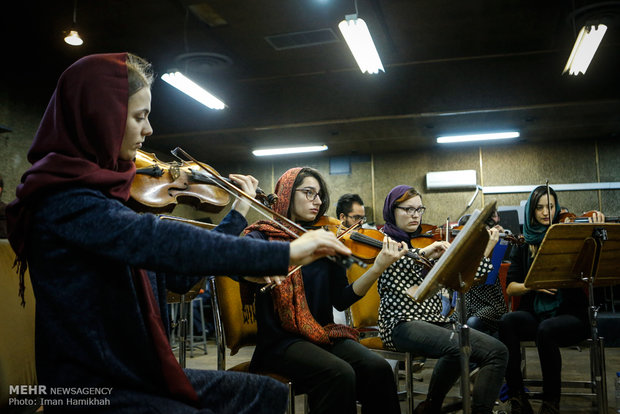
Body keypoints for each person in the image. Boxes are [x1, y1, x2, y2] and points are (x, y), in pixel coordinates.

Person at [5, 53, 351, 414]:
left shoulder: (106, 198)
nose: (149, 129)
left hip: (133, 373)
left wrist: (237, 224)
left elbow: (180, 274)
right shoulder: (65, 202)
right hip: (88, 388)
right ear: (100, 119)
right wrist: (284, 252)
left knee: (267, 394)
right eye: (140, 116)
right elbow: (159, 241)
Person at [242, 167, 405, 414]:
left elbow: (341, 300)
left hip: (320, 333)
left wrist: (377, 268)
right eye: (309, 193)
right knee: (338, 373)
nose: (317, 201)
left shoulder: (324, 239)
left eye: (319, 195)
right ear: (286, 193)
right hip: (280, 343)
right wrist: (262, 262)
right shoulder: (262, 235)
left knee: (378, 368)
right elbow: (237, 261)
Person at [377, 185, 508, 414]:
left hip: (434, 321)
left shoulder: (420, 245)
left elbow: (466, 279)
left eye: (419, 209)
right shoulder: (383, 242)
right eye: (408, 209)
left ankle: (431, 406)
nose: (415, 215)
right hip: (400, 324)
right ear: (392, 210)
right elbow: (400, 259)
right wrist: (428, 251)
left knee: (497, 350)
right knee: (461, 347)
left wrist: (485, 248)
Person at [498, 186, 604, 414]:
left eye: (551, 206)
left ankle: (550, 403)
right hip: (536, 314)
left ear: (557, 208)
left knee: (546, 330)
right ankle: (517, 398)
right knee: (507, 321)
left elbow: (595, 256)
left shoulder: (568, 234)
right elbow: (511, 287)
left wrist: (597, 225)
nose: (546, 212)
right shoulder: (524, 244)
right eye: (540, 207)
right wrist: (532, 284)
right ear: (531, 211)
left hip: (571, 316)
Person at [459, 209, 509, 337]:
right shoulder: (459, 255)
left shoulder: (492, 250)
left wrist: (500, 240)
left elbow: (476, 274)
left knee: (473, 321)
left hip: (491, 305)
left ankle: (484, 352)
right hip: (467, 305)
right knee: (449, 323)